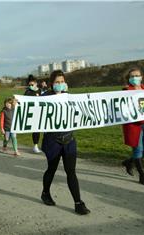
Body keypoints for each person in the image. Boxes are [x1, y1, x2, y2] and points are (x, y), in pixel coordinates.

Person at [41, 70, 90, 215]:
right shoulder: (44, 97)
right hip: (53, 141)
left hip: (69, 140)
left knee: (71, 172)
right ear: (51, 84)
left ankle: (78, 203)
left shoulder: (69, 96)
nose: (60, 84)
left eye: (62, 81)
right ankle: (45, 193)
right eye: (57, 82)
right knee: (52, 169)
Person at [121, 67, 144, 186]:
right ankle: (142, 176)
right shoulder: (126, 91)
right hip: (134, 127)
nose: (135, 78)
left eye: (137, 75)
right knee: (138, 150)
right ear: (129, 78)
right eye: (132, 76)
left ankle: (129, 162)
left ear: (141, 77)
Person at [24, 75, 42, 153]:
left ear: (36, 83)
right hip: (33, 113)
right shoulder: (28, 91)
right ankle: (35, 145)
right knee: (36, 129)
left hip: (41, 112)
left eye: (32, 84)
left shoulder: (40, 91)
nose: (31, 86)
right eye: (29, 85)